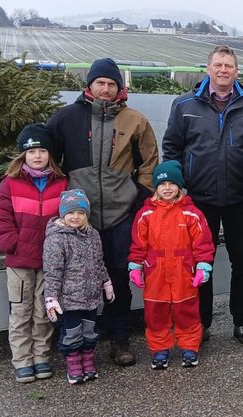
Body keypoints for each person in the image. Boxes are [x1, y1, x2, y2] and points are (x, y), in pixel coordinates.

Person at [46, 57, 159, 366]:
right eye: (101, 83)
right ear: (90, 86)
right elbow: (47, 160)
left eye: (112, 84)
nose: (106, 89)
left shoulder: (135, 120)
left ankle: (119, 340)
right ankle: (76, 341)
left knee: (118, 278)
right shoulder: (66, 119)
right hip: (79, 220)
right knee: (75, 280)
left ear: (119, 88)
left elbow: (150, 162)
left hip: (121, 215)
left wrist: (141, 196)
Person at [163, 45, 243, 344]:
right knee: (199, 262)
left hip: (239, 197)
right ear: (208, 68)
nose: (223, 70)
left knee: (242, 262)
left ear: (236, 71)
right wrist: (178, 188)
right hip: (199, 197)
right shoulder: (185, 105)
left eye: (229, 66)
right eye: (218, 65)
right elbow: (172, 148)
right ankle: (201, 321)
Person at [0, 124, 68, 383]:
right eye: (32, 151)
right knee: (21, 312)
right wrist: (12, 245)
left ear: (50, 154)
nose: (37, 156)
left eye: (43, 150)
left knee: (43, 312)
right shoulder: (10, 185)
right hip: (20, 263)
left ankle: (41, 357)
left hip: (49, 262)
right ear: (23, 155)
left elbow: (66, 221)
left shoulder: (61, 184)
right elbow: (2, 223)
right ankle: (23, 360)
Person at [129, 161, 215, 369]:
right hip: (155, 271)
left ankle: (189, 346)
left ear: (179, 186)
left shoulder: (191, 213)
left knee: (186, 310)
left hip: (183, 270)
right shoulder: (146, 214)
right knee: (155, 311)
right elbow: (138, 243)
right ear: (155, 188)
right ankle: (160, 349)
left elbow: (203, 242)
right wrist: (135, 265)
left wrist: (203, 265)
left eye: (171, 183)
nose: (167, 188)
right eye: (162, 184)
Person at [43, 189, 115, 385]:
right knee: (72, 332)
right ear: (63, 214)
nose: (76, 217)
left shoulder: (93, 235)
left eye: (80, 213)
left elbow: (99, 262)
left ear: (86, 215)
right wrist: (51, 297)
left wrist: (106, 281)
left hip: (91, 296)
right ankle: (73, 364)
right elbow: (52, 270)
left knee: (90, 330)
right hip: (69, 298)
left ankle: (88, 360)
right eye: (71, 213)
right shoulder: (57, 238)